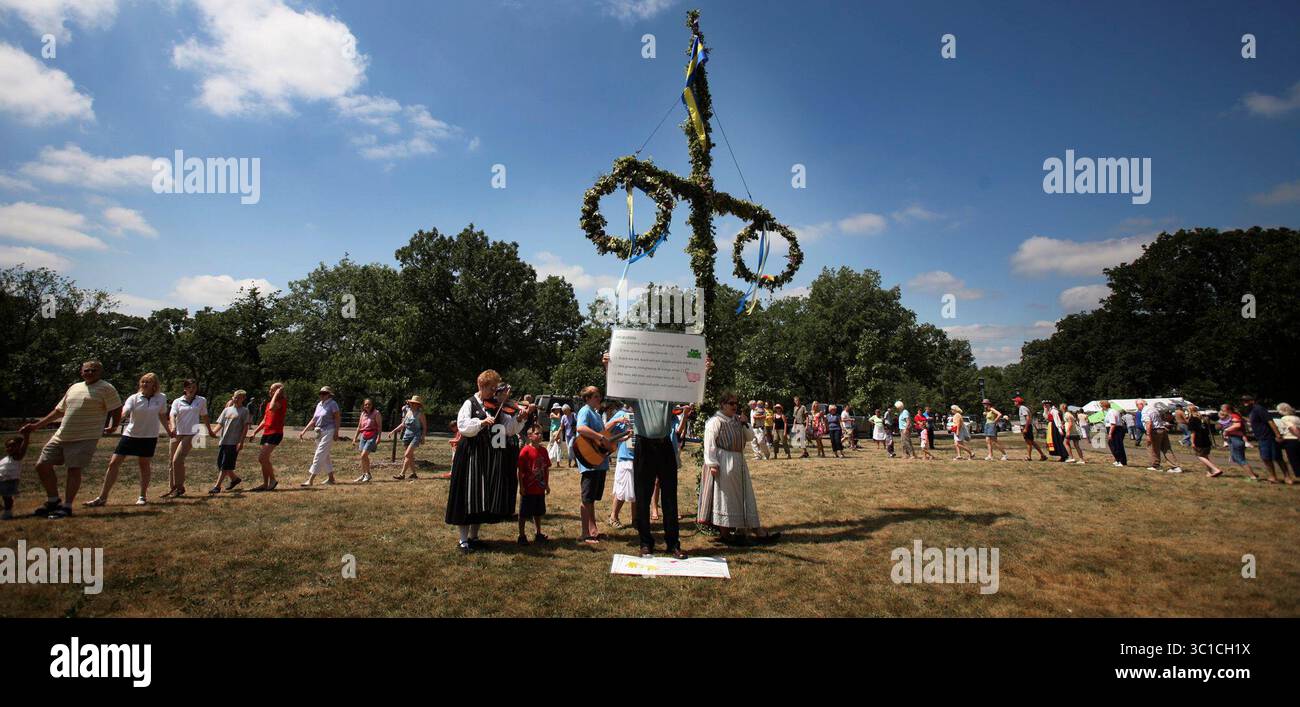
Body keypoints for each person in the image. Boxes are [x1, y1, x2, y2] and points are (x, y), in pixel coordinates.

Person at [599, 352, 693, 559]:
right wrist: (608, 367)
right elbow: (617, 388)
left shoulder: (669, 393)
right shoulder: (637, 394)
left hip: (665, 446)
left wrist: (704, 368)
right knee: (642, 496)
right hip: (644, 446)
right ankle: (645, 543)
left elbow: (691, 387)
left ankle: (673, 544)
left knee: (669, 496)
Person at [21, 360, 122, 517]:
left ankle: (67, 507)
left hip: (85, 436)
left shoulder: (106, 388)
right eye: (86, 370)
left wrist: (114, 425)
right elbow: (58, 411)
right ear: (81, 372)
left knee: (73, 469)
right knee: (42, 465)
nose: (89, 373)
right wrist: (35, 426)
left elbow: (116, 408)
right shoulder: (75, 387)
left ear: (100, 372)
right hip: (62, 435)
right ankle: (53, 501)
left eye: (93, 370)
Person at [447, 370, 524, 552]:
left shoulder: (497, 405)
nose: (494, 392)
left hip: (487, 457)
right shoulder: (470, 403)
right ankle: (463, 540)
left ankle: (474, 536)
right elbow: (463, 426)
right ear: (481, 386)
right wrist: (481, 423)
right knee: (468, 496)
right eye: (491, 388)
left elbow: (507, 429)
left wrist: (519, 418)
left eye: (496, 388)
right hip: (470, 456)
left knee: (482, 496)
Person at [698, 392, 780, 546]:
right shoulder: (715, 421)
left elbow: (749, 437)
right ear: (722, 404)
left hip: (738, 461)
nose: (735, 406)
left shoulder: (737, 420)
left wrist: (745, 423)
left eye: (736, 403)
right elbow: (709, 444)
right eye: (731, 403)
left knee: (744, 496)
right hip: (723, 461)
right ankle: (726, 533)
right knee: (725, 498)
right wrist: (712, 464)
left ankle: (752, 530)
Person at [85, 372, 170, 507]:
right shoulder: (134, 398)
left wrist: (169, 430)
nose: (144, 384)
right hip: (130, 435)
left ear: (154, 384)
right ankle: (102, 497)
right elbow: (125, 412)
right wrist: (115, 424)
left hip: (149, 436)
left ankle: (142, 496)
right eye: (143, 381)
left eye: (148, 382)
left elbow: (162, 415)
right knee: (113, 463)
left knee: (144, 465)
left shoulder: (161, 398)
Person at [574, 385, 616, 545]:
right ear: (587, 398)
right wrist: (599, 436)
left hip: (599, 462)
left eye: (599, 396)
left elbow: (604, 439)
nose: (599, 399)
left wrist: (617, 439)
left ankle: (593, 531)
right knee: (587, 498)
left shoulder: (596, 414)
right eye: (596, 396)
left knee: (592, 498)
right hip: (590, 461)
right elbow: (581, 428)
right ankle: (585, 533)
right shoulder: (585, 411)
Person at [164, 379, 209, 499]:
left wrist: (209, 430)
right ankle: (173, 488)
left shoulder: (201, 400)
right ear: (185, 389)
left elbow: (204, 416)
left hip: (192, 433)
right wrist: (172, 426)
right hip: (177, 433)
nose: (192, 389)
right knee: (172, 462)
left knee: (177, 460)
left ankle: (179, 488)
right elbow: (172, 415)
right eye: (189, 387)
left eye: (194, 387)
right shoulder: (177, 401)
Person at [1243, 394, 1293, 484]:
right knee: (1266, 458)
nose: (1244, 402)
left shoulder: (1259, 409)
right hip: (1261, 437)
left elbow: (1270, 421)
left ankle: (1287, 477)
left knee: (1277, 458)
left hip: (1269, 437)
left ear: (1252, 401)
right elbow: (1252, 421)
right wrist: (1240, 416)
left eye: (1247, 400)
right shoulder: (1251, 411)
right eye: (1243, 401)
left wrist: (1277, 435)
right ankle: (1273, 477)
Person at [245, 382, 286, 491]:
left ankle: (272, 480)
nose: (270, 391)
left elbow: (273, 408)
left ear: (278, 391)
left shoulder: (281, 402)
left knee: (262, 458)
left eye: (272, 390)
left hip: (275, 433)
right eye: (270, 389)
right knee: (264, 459)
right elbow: (265, 420)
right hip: (267, 433)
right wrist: (255, 432)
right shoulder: (269, 403)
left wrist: (277, 394)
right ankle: (265, 484)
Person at [207, 390, 250, 493]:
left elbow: (245, 428)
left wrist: (241, 442)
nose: (235, 399)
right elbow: (220, 423)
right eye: (234, 397)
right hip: (224, 441)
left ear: (243, 399)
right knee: (220, 464)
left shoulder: (244, 411)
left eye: (238, 398)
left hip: (234, 442)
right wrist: (213, 432)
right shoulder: (227, 410)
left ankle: (217, 487)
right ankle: (235, 479)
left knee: (225, 465)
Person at [298, 386, 340, 486]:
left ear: (329, 394)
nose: (321, 395)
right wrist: (304, 431)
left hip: (329, 430)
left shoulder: (333, 404)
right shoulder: (319, 404)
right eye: (320, 393)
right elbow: (314, 420)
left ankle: (310, 480)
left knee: (319, 454)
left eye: (324, 393)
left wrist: (336, 432)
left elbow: (337, 418)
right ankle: (331, 478)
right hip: (319, 432)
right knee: (324, 455)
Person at [516, 424, 551, 544]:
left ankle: (538, 533)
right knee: (524, 513)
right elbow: (520, 471)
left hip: (540, 488)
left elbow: (546, 468)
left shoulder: (544, 450)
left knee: (538, 512)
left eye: (541, 433)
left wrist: (546, 484)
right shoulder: (525, 451)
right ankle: (521, 536)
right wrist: (521, 487)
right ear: (530, 436)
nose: (540, 435)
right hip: (528, 488)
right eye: (537, 433)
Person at [606, 403, 636, 529]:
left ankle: (636, 520)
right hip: (625, 457)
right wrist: (618, 420)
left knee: (637, 492)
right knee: (622, 490)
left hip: (639, 457)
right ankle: (613, 517)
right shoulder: (622, 413)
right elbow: (605, 430)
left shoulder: (643, 415)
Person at [391, 395, 427, 481]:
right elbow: (403, 424)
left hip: (416, 435)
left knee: (407, 454)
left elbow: (425, 427)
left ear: (418, 405)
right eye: (412, 403)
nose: (413, 405)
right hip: (407, 435)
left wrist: (423, 437)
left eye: (415, 404)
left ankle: (402, 474)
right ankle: (414, 474)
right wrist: (394, 431)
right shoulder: (408, 411)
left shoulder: (420, 414)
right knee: (410, 456)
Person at [1184, 404, 1223, 477]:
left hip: (1199, 440)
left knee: (1200, 456)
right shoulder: (1202, 418)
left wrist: (1192, 442)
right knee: (1205, 456)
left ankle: (1215, 469)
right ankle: (1209, 472)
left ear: (1189, 411)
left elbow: (1193, 432)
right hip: (1206, 439)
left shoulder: (1192, 419)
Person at [1219, 403, 1256, 480]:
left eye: (1223, 410)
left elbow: (1237, 425)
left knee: (1239, 458)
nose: (1222, 411)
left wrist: (1226, 430)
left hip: (1237, 439)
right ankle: (1252, 473)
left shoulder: (1234, 416)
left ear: (1228, 410)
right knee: (1235, 458)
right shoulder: (1230, 416)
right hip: (1233, 438)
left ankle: (1252, 476)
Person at [1, 430, 31, 519]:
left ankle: (8, 512)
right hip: (2, 480)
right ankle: (5, 509)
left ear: (19, 447)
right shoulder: (6, 458)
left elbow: (24, 447)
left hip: (10, 480)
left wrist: (26, 436)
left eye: (13, 446)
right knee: (6, 497)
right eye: (8, 446)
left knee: (7, 498)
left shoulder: (17, 457)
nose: (9, 448)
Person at [352, 398, 382, 483]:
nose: (367, 406)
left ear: (372, 405)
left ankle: (368, 474)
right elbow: (359, 427)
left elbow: (379, 426)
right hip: (364, 435)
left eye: (369, 404)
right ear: (363, 405)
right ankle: (364, 474)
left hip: (372, 435)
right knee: (363, 457)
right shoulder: (363, 414)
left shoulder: (376, 413)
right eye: (366, 404)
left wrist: (379, 437)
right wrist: (355, 438)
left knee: (363, 455)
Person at [1014, 396, 1047, 461]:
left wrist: (1025, 428)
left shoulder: (1022, 408)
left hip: (1027, 426)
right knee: (1032, 442)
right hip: (1026, 426)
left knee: (1028, 442)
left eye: (1015, 401)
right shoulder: (1022, 408)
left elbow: (1028, 418)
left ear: (1018, 402)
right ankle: (1043, 455)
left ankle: (1029, 457)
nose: (1014, 403)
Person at [1276, 403, 1300, 483]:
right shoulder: (1297, 418)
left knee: (1294, 460)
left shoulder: (1285, 418)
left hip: (1290, 440)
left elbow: (1292, 428)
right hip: (1297, 440)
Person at [1102, 400, 1127, 467]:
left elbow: (1113, 424)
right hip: (1114, 429)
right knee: (1112, 445)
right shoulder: (1110, 411)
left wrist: (1110, 433)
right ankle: (1118, 459)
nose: (1102, 408)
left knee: (1118, 445)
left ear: (1105, 406)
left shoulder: (1111, 412)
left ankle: (1122, 461)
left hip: (1116, 430)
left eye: (1102, 406)